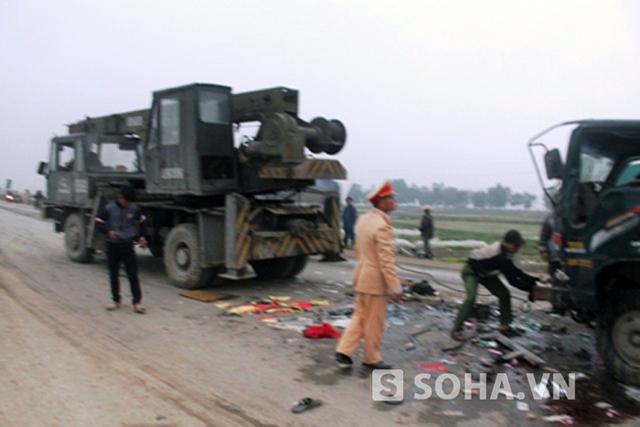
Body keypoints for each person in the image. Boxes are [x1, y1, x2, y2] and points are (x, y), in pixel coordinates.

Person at [335, 180, 404, 370]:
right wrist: (396, 287)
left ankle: (344, 350)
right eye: (391, 198)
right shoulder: (382, 226)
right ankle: (371, 358)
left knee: (359, 316)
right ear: (382, 201)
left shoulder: (364, 220)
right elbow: (386, 261)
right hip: (375, 282)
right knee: (374, 321)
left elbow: (359, 251)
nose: (395, 201)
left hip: (362, 276)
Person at [450, 230, 540, 341]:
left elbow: (515, 271)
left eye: (518, 245)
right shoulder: (500, 255)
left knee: (504, 294)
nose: (517, 248)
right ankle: (456, 329)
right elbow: (513, 280)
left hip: (486, 273)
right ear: (507, 243)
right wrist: (531, 288)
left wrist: (532, 280)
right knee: (471, 298)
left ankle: (504, 326)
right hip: (472, 271)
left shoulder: (507, 253)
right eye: (515, 245)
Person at [95, 186, 148, 314]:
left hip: (127, 245)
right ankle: (116, 300)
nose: (127, 204)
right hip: (112, 245)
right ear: (120, 197)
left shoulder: (133, 209)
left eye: (129, 202)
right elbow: (98, 222)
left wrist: (142, 236)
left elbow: (143, 220)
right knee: (113, 274)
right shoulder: (109, 208)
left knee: (133, 274)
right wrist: (108, 231)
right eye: (126, 201)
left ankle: (137, 302)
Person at [538, 213, 561, 278]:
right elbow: (543, 237)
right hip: (554, 256)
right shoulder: (550, 219)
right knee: (555, 277)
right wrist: (543, 251)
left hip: (567, 256)